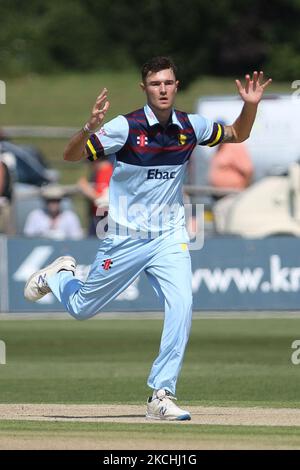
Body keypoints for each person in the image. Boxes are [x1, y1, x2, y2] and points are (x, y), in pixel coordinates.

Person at [24, 57, 272, 421]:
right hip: (124, 237)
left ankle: (161, 394)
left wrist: (249, 107)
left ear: (177, 85)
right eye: (156, 83)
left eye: (169, 83)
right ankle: (58, 275)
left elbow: (237, 134)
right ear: (145, 88)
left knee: (183, 304)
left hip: (169, 236)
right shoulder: (125, 127)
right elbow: (71, 155)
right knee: (82, 309)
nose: (163, 89)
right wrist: (87, 128)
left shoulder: (191, 126)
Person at [78, 156, 113, 236]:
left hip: (105, 221)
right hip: (98, 219)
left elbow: (104, 202)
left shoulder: (108, 172)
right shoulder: (99, 173)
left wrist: (85, 189)